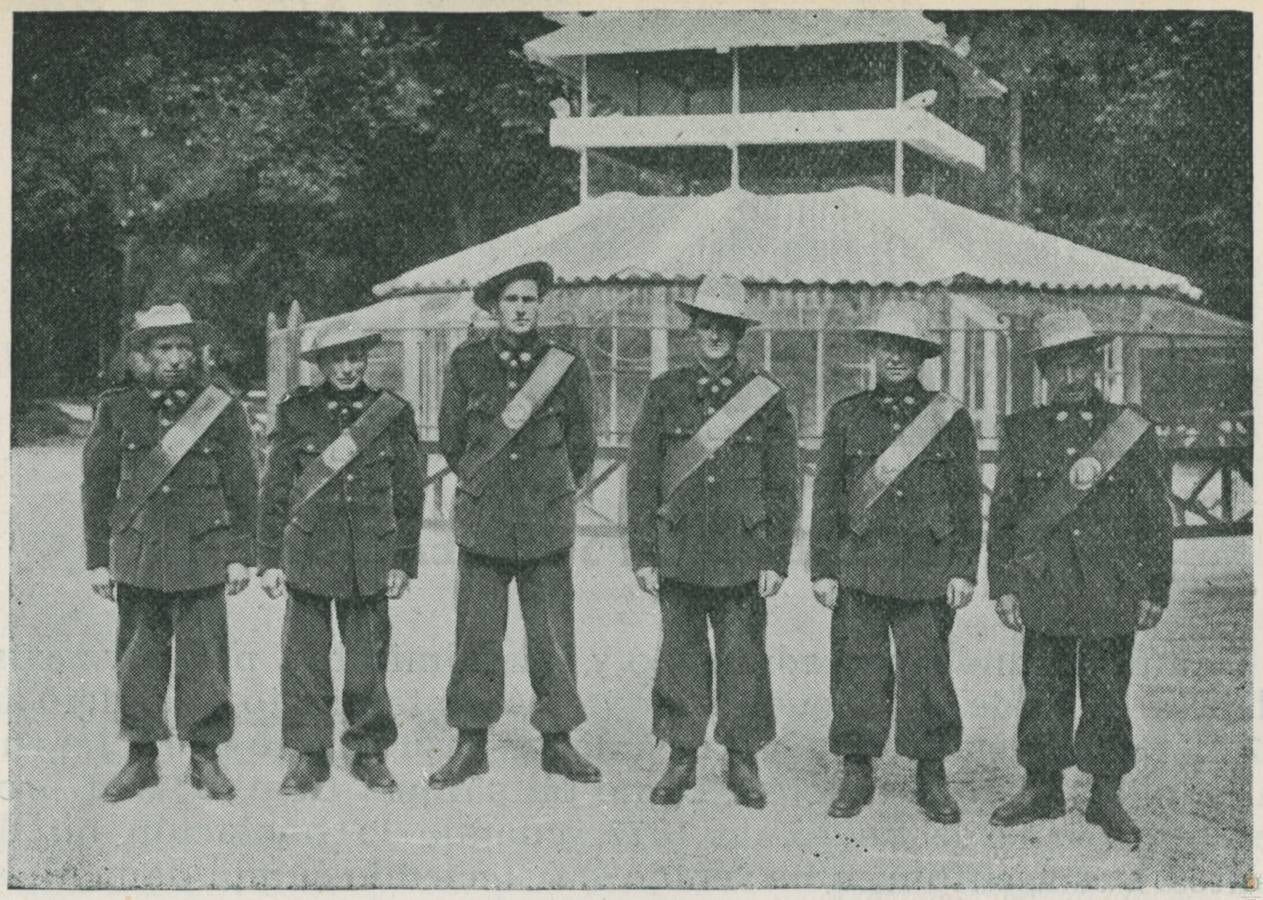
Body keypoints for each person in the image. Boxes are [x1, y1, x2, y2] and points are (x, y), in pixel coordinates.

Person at [988, 309, 1172, 845]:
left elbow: (1154, 517)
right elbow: (1005, 515)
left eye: (1078, 364)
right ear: (1044, 373)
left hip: (1110, 584)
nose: (1069, 377)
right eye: (1057, 366)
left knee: (1107, 691)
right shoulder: (1023, 430)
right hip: (1044, 582)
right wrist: (1003, 584)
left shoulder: (1128, 430)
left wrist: (1154, 588)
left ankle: (1105, 795)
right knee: (1042, 690)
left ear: (1095, 366)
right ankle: (1041, 786)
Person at [626, 273, 799, 809]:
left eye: (725, 325)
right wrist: (644, 554)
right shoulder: (664, 391)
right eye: (706, 323)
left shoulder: (765, 396)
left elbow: (783, 482)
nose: (714, 334)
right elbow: (642, 477)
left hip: (743, 551)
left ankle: (743, 758)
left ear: (738, 332)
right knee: (680, 656)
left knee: (744, 657)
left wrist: (776, 557)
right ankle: (681, 756)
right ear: (693, 327)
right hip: (679, 547)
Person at [428, 261, 601, 789]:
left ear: (540, 304)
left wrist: (550, 489)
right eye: (511, 301)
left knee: (551, 635)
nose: (522, 309)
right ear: (494, 308)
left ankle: (558, 740)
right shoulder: (468, 362)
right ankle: (471, 741)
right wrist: (485, 485)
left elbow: (582, 443)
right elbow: (454, 440)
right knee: (478, 634)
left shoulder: (565, 366)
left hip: (545, 518)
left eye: (529, 300)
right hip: (485, 519)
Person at [809, 298, 981, 823]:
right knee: (858, 672)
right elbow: (828, 500)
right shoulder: (846, 415)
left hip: (927, 567)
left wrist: (963, 569)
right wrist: (822, 568)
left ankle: (931, 775)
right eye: (888, 346)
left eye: (907, 347)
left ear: (921, 355)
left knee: (927, 675)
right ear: (874, 353)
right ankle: (857, 771)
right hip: (861, 564)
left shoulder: (949, 418)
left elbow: (967, 500)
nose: (897, 357)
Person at [82, 303, 257, 802]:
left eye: (183, 347)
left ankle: (205, 756)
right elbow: (96, 487)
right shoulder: (116, 407)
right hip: (139, 552)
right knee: (138, 658)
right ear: (141, 355)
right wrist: (97, 559)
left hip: (203, 549)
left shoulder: (220, 407)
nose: (176, 358)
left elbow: (245, 485)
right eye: (164, 348)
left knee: (206, 658)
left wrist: (242, 553)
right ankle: (141, 757)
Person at [257, 322, 424, 795]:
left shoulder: (390, 412)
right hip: (310, 549)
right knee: (305, 657)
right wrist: (269, 558)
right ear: (322, 366)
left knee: (368, 656)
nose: (348, 368)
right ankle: (308, 754)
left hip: (370, 549)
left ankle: (369, 749)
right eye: (337, 360)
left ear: (366, 359)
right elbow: (275, 489)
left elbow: (410, 492)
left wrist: (402, 560)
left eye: (356, 358)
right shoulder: (297, 412)